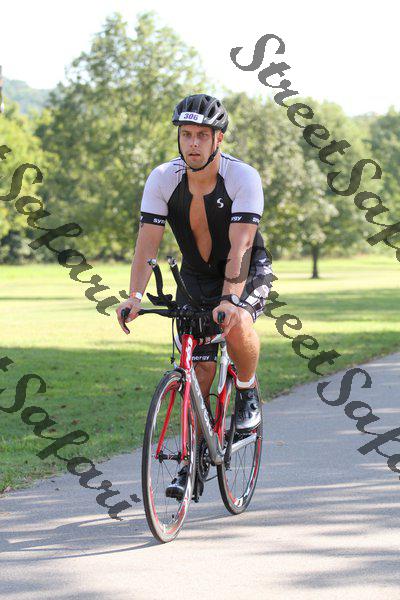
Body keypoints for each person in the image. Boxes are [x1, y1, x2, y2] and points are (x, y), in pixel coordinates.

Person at [116, 93, 274, 500]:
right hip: (195, 277)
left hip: (243, 268)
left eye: (202, 135)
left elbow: (240, 247)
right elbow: (146, 244)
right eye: (186, 135)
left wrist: (230, 300)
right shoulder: (163, 179)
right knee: (197, 369)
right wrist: (135, 295)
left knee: (236, 321)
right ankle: (194, 457)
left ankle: (247, 390)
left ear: (218, 139)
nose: (193, 143)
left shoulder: (242, 177)